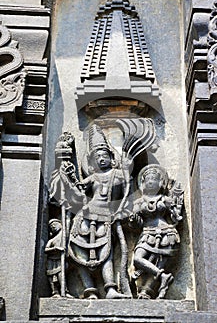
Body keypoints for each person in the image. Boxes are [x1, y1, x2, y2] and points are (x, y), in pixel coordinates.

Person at [68, 124, 131, 299]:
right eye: (97, 157)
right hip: (86, 216)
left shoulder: (118, 174)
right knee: (77, 251)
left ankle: (110, 289)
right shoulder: (93, 177)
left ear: (111, 157)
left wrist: (126, 169)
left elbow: (127, 193)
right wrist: (70, 178)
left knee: (106, 252)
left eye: (104, 155)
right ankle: (89, 289)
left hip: (106, 217)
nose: (101, 159)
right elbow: (79, 189)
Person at [129, 164, 182, 299]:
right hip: (147, 234)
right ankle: (163, 276)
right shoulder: (139, 202)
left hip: (166, 234)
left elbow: (175, 218)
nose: (151, 181)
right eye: (147, 179)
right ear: (143, 183)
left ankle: (146, 291)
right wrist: (132, 219)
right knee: (137, 259)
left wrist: (176, 208)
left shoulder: (165, 199)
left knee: (160, 262)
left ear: (161, 182)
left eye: (154, 178)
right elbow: (136, 225)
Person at [45, 219, 72, 298]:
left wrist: (68, 212)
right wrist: (56, 248)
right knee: (51, 275)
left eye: (55, 224)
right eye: (51, 227)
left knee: (61, 274)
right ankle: (55, 292)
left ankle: (65, 291)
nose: (53, 226)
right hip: (51, 259)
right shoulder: (51, 240)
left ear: (60, 224)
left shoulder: (64, 234)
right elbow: (46, 249)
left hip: (61, 258)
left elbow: (68, 222)